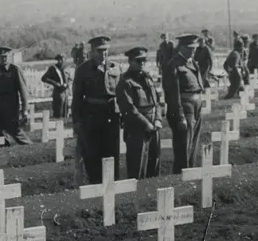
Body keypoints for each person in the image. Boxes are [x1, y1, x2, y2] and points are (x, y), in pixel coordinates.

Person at [71, 36, 122, 183]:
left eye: (105, 50)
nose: (103, 54)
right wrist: (77, 121)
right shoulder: (83, 70)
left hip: (112, 116)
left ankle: (112, 185)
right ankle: (95, 184)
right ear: (92, 51)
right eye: (99, 51)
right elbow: (77, 98)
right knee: (92, 153)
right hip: (92, 117)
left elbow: (121, 94)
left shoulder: (115, 68)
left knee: (112, 152)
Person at [116, 47, 162, 179]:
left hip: (154, 127)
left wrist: (158, 119)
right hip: (137, 129)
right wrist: (146, 124)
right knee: (137, 167)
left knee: (154, 164)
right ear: (130, 61)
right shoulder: (125, 82)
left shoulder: (148, 78)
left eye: (144, 60)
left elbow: (157, 102)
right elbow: (129, 109)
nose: (142, 63)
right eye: (139, 61)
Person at [162, 34, 205, 173]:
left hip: (196, 105)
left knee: (193, 144)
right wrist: (180, 116)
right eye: (190, 48)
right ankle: (181, 176)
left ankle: (190, 173)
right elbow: (172, 95)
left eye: (194, 48)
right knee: (183, 146)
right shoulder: (173, 64)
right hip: (185, 108)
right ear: (181, 48)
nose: (193, 51)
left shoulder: (192, 62)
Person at [0, 46, 32, 146]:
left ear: (10, 56)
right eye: (2, 56)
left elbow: (23, 91)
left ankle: (30, 146)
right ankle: (2, 149)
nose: (4, 58)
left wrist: (25, 110)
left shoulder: (15, 70)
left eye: (6, 56)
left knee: (15, 130)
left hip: (11, 104)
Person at [41, 53, 70, 119]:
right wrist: (56, 84)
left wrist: (67, 84)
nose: (60, 61)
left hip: (66, 93)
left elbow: (70, 79)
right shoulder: (53, 68)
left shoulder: (66, 68)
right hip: (58, 93)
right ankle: (57, 126)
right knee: (58, 111)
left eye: (62, 59)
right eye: (58, 60)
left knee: (65, 111)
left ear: (65, 60)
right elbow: (44, 78)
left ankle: (64, 126)